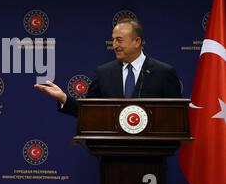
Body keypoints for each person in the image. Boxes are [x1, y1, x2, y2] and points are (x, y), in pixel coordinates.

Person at [34, 19, 182, 116]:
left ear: (137, 41)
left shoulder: (163, 73)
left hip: (153, 156)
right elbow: (88, 111)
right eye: (113, 40)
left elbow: (177, 115)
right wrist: (63, 98)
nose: (114, 45)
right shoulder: (104, 73)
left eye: (119, 40)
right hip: (111, 156)